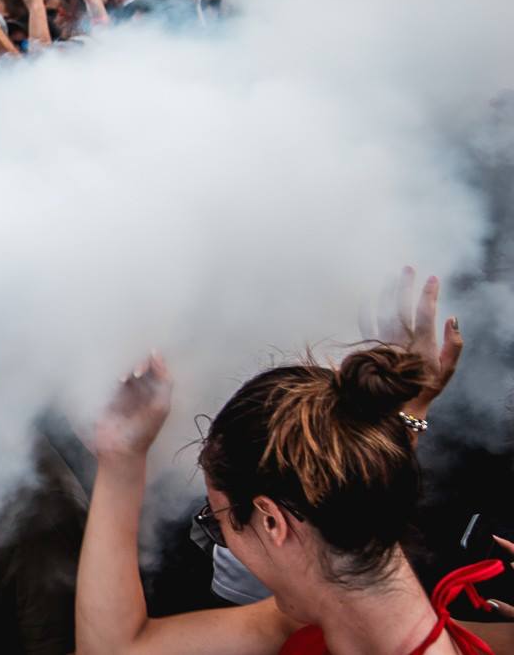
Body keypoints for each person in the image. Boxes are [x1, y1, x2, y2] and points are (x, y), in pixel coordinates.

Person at [76, 274, 495, 655]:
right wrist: (120, 455)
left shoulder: (311, 619)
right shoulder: (332, 607)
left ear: (272, 521)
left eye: (217, 523)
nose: (219, 534)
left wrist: (122, 463)